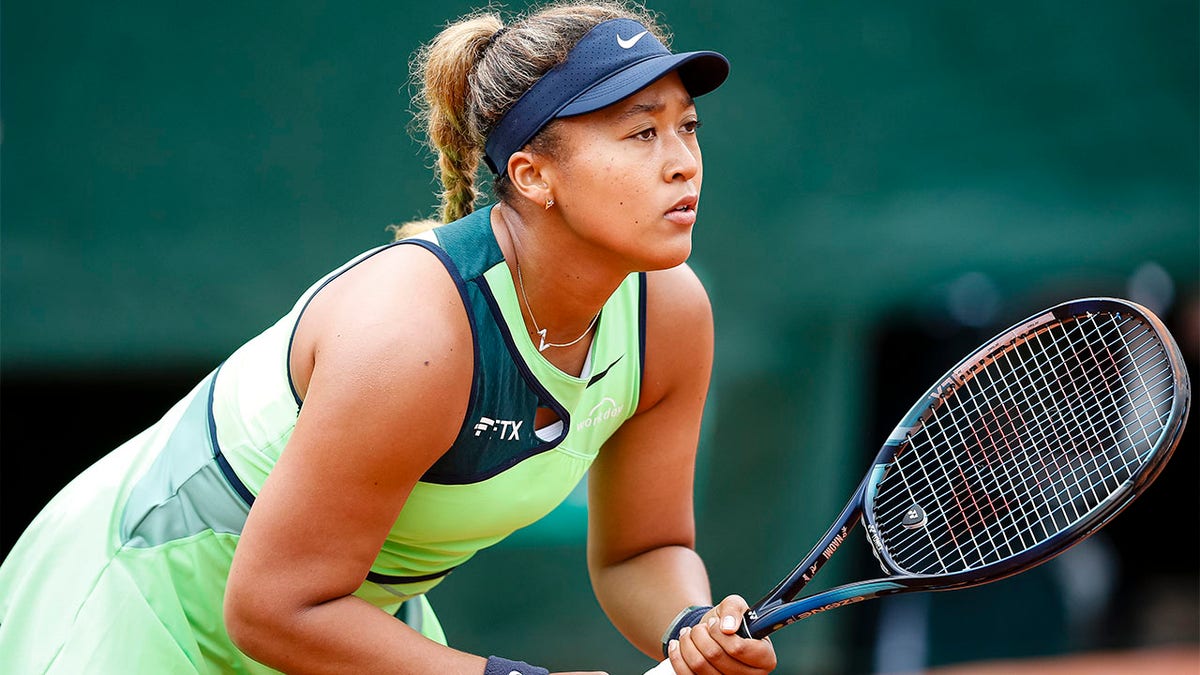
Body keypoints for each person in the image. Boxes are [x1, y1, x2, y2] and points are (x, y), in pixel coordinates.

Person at [0, 1, 778, 673]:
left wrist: (689, 628)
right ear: (535, 175)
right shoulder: (413, 335)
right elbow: (272, 607)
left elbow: (641, 552)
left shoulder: (670, 316)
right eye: (641, 135)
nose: (684, 164)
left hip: (342, 614)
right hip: (148, 605)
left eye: (687, 127)